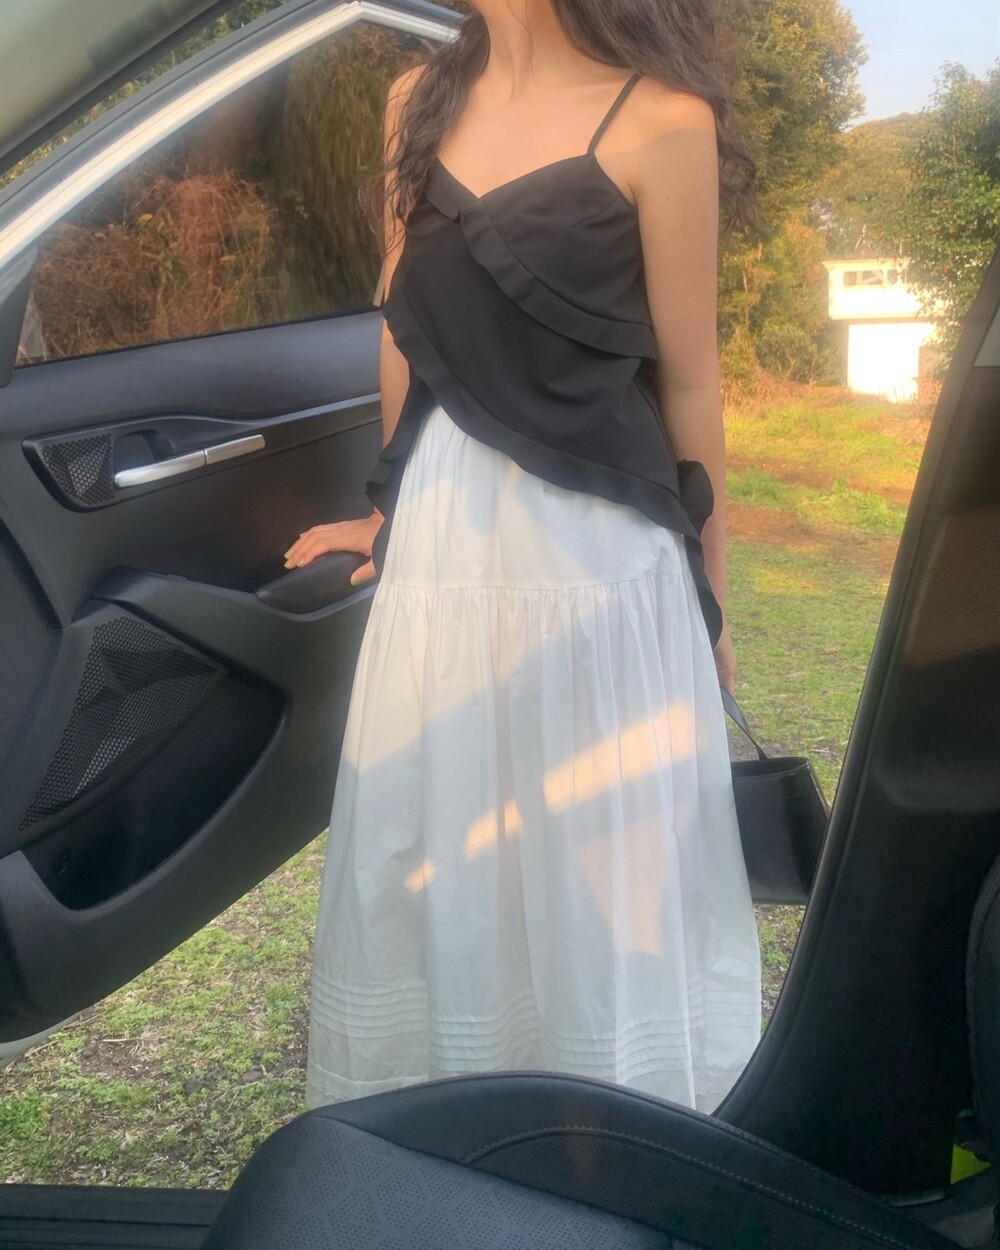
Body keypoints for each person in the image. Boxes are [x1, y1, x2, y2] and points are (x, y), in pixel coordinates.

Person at [288, 0, 762, 1115]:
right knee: (446, 845)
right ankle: (456, 1131)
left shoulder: (663, 119)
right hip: (446, 544)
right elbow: (403, 327)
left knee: (598, 857)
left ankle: (613, 1139)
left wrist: (710, 597)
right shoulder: (416, 100)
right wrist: (388, 506)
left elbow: (691, 382)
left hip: (597, 559)